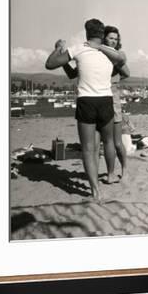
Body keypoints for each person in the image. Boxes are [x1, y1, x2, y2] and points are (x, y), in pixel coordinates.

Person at [45, 19, 124, 200]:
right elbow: (122, 61)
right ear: (102, 34)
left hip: (87, 101)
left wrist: (59, 48)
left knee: (88, 149)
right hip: (106, 100)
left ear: (86, 33)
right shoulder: (110, 52)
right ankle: (111, 174)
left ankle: (95, 191)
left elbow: (50, 64)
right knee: (109, 141)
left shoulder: (79, 48)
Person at [62, 25, 130, 181]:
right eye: (111, 38)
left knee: (117, 142)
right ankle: (103, 173)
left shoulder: (114, 55)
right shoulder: (91, 54)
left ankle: (124, 168)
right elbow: (73, 74)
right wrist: (64, 61)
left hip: (111, 98)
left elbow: (127, 72)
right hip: (97, 99)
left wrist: (113, 81)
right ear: (103, 37)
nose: (114, 41)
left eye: (116, 39)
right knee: (97, 143)